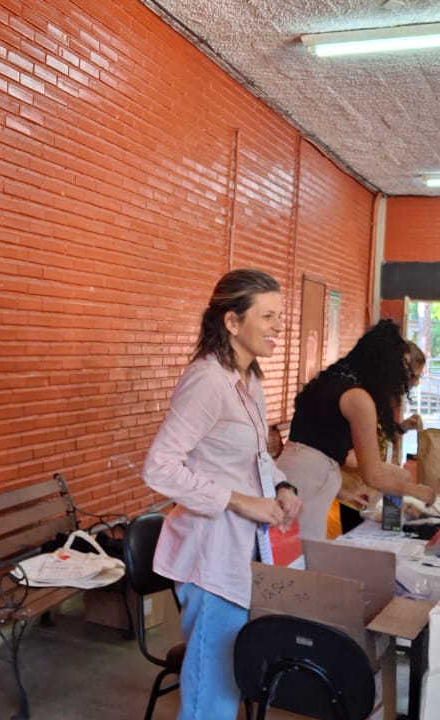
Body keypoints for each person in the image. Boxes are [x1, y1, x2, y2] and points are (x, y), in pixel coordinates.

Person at [142, 269, 302, 720]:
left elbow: (256, 457)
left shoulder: (250, 380)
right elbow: (159, 467)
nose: (278, 326)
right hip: (209, 557)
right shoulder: (207, 381)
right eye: (267, 316)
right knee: (209, 699)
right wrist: (240, 500)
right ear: (232, 322)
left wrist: (282, 486)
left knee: (228, 680)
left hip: (242, 551)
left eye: (279, 316)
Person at [279, 322, 436, 540]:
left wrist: (341, 490)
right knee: (301, 551)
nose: (409, 385)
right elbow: (374, 476)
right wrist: (419, 491)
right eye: (409, 377)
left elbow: (320, 443)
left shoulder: (333, 381)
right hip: (307, 484)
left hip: (293, 475)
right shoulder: (358, 398)